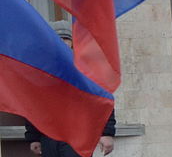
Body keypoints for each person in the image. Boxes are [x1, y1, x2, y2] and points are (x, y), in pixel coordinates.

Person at [25, 20, 116, 157]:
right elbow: (32, 103)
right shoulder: (41, 69)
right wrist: (34, 137)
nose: (62, 42)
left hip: (78, 138)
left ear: (73, 42)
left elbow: (103, 101)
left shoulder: (88, 69)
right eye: (58, 39)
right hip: (48, 137)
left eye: (66, 38)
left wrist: (106, 133)